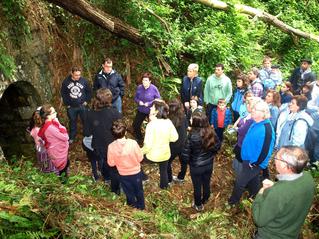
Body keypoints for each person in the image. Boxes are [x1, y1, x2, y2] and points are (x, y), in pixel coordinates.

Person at [252, 146, 315, 239]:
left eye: (276, 158)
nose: (274, 161)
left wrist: (261, 193)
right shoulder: (308, 178)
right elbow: (292, 193)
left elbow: (259, 220)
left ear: (285, 165)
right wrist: (275, 186)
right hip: (292, 233)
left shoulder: (278, 192)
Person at [228, 100, 275, 205]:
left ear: (263, 113)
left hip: (253, 163)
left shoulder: (266, 128)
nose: (252, 110)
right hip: (248, 160)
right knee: (253, 180)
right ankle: (254, 197)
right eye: (252, 108)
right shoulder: (256, 122)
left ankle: (232, 203)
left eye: (255, 109)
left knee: (240, 182)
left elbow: (265, 151)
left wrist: (254, 163)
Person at [181, 113, 221, 211]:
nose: (190, 120)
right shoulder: (211, 132)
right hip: (208, 164)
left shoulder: (192, 136)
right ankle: (206, 198)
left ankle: (198, 205)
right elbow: (217, 146)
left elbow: (185, 154)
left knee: (197, 186)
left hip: (196, 166)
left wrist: (189, 162)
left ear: (196, 122)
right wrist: (211, 154)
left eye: (191, 118)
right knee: (206, 182)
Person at [87, 88, 122, 191]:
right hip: (112, 144)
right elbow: (120, 128)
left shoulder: (90, 113)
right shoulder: (114, 112)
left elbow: (87, 132)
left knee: (103, 161)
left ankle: (107, 179)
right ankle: (115, 189)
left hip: (99, 144)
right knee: (113, 165)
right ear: (109, 100)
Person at [107, 119, 145, 210]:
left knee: (128, 191)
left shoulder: (111, 146)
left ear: (113, 134)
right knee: (139, 190)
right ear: (125, 131)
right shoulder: (133, 143)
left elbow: (111, 163)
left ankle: (131, 206)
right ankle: (141, 206)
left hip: (123, 174)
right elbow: (140, 158)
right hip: (136, 173)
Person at [142, 100, 178, 189]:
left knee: (134, 159)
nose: (150, 108)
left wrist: (139, 152)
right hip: (165, 154)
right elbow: (175, 138)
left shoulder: (151, 125)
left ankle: (144, 178)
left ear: (157, 111)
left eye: (152, 107)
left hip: (153, 156)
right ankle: (164, 187)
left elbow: (147, 146)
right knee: (163, 170)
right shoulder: (168, 121)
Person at [60, 66, 92, 144]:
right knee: (72, 122)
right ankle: (72, 137)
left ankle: (87, 135)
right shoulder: (66, 81)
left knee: (85, 121)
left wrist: (87, 101)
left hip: (82, 105)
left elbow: (89, 91)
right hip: (71, 107)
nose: (78, 77)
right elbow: (63, 93)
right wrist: (67, 103)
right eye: (76, 75)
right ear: (72, 73)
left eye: (79, 75)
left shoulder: (84, 81)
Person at [38, 104, 69, 177]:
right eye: (54, 112)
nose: (56, 113)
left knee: (65, 166)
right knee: (63, 170)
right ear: (47, 116)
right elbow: (65, 137)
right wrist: (58, 123)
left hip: (55, 151)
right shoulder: (50, 127)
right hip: (57, 152)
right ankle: (64, 184)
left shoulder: (49, 123)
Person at [132, 72, 160, 145]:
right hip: (141, 109)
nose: (144, 82)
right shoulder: (139, 88)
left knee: (152, 127)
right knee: (135, 124)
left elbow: (158, 99)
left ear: (150, 81)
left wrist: (150, 103)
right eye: (143, 80)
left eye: (146, 80)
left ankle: (152, 142)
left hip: (151, 111)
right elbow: (135, 98)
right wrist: (139, 102)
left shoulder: (154, 89)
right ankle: (140, 138)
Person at [28, 108, 58, 174]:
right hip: (44, 149)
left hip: (39, 149)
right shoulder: (40, 130)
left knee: (43, 161)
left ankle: (45, 171)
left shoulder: (33, 129)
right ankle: (50, 172)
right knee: (47, 161)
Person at [167, 99, 188, 184]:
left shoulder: (169, 120)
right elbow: (186, 127)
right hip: (184, 143)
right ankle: (181, 178)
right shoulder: (184, 116)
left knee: (167, 162)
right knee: (183, 162)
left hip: (173, 145)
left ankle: (169, 180)